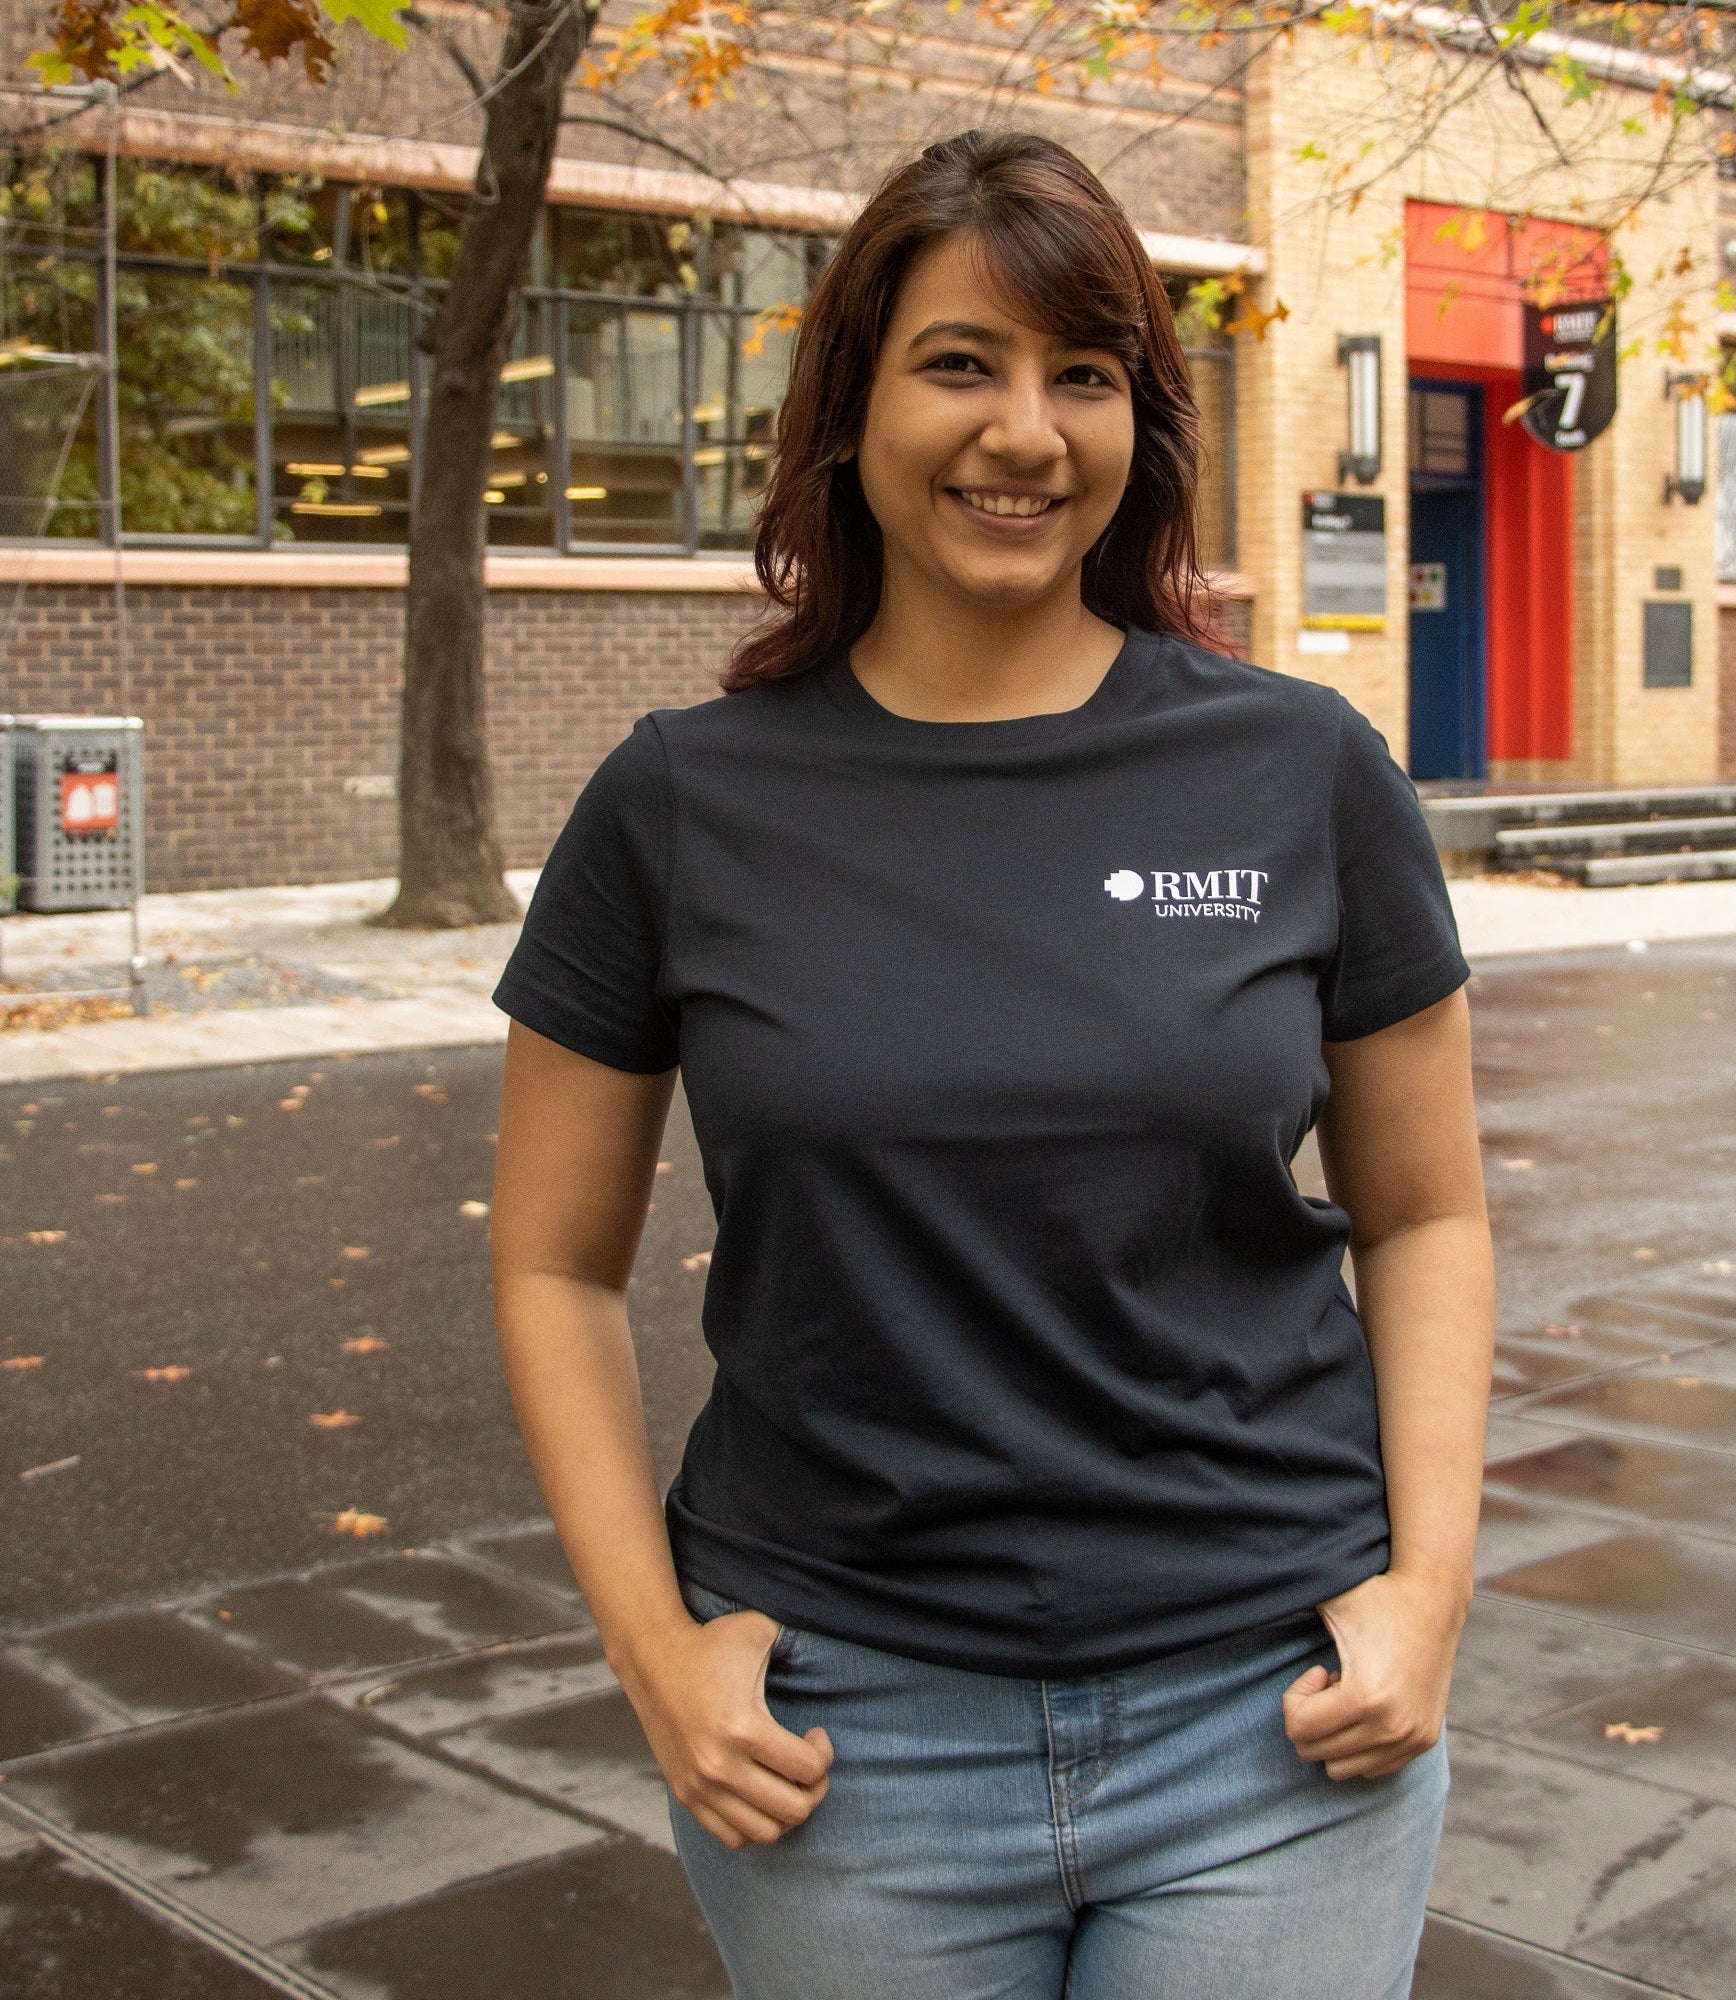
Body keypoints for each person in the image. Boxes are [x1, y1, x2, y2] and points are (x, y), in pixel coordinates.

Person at [488, 127, 1494, 2000]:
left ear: (1141, 426)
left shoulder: (1302, 772)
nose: (1024, 432)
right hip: (841, 1743)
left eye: (1083, 375)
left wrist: (1428, 1589)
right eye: (962, 362)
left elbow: (1426, 1213)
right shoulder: (683, 803)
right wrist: (650, 1646)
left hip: (1271, 1723)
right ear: (853, 399)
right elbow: (549, 1258)